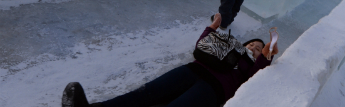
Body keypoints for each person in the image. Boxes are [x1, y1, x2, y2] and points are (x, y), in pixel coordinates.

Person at [61, 13, 278, 107]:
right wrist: (209, 30)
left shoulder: (253, 66)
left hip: (214, 88)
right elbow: (203, 48)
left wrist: (265, 58)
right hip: (192, 70)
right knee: (146, 93)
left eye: (259, 49)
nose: (254, 48)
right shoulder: (233, 46)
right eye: (252, 44)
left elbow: (255, 80)